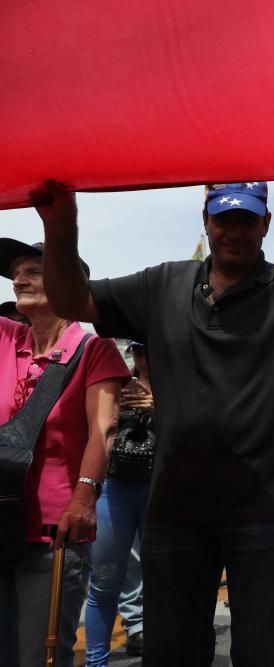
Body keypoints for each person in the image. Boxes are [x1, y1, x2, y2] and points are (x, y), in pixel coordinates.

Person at [32, 169, 274, 666]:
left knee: (264, 655)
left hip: (267, 514)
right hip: (177, 513)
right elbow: (72, 301)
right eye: (224, 219)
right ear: (206, 220)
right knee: (172, 654)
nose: (234, 231)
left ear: (265, 224)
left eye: (246, 219)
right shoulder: (162, 284)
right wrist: (61, 227)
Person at [0, 239, 130, 667]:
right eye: (16, 271)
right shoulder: (6, 338)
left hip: (53, 533)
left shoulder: (95, 350)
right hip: (1, 523)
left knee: (39, 653)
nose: (19, 278)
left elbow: (103, 430)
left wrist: (83, 497)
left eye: (34, 270)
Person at [84, 341, 156, 667]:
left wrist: (162, 407)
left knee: (168, 583)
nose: (143, 357)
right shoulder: (117, 383)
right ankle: (95, 662)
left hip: (163, 490)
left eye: (150, 348)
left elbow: (204, 433)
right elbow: (94, 431)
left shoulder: (186, 385)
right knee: (105, 582)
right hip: (116, 488)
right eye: (138, 349)